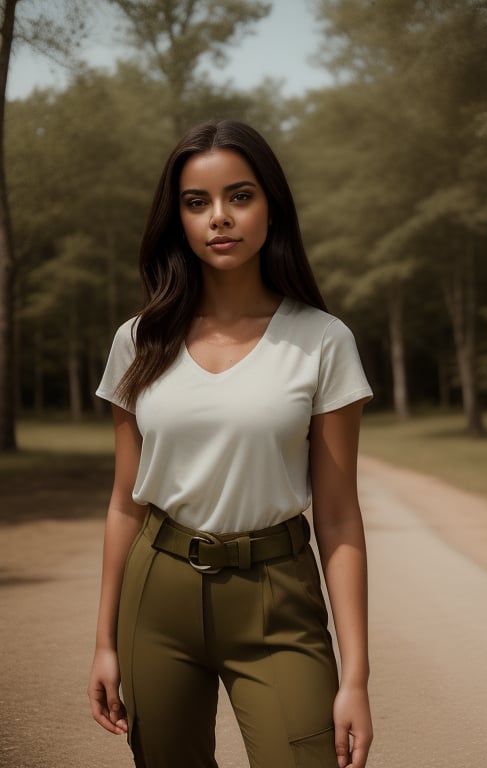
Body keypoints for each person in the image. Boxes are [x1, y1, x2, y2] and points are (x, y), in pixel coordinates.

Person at [87, 119, 374, 768]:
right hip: (155, 594)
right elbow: (123, 504)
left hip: (277, 597)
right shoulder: (139, 341)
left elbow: (337, 516)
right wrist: (103, 641)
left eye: (240, 196)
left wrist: (354, 678)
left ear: (272, 206)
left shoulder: (323, 341)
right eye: (198, 203)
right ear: (179, 220)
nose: (220, 218)